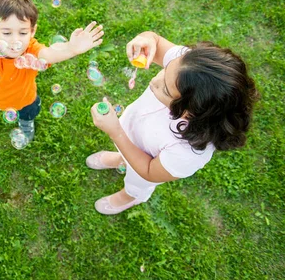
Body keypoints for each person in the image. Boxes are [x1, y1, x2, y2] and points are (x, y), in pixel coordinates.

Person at [88, 31, 259, 214]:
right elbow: (156, 41)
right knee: (126, 152)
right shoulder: (187, 67)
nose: (154, 81)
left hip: (143, 168)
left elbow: (148, 171)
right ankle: (120, 158)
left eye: (166, 90)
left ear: (189, 114)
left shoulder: (188, 152)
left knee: (135, 182)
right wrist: (146, 40)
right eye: (165, 69)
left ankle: (128, 197)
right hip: (133, 132)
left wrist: (116, 132)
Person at [0, 0, 104, 143]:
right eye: (7, 33)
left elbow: (50, 54)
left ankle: (25, 122)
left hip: (25, 99)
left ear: (32, 31)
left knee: (28, 113)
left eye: (23, 33)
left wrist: (72, 49)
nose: (15, 40)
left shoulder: (32, 49)